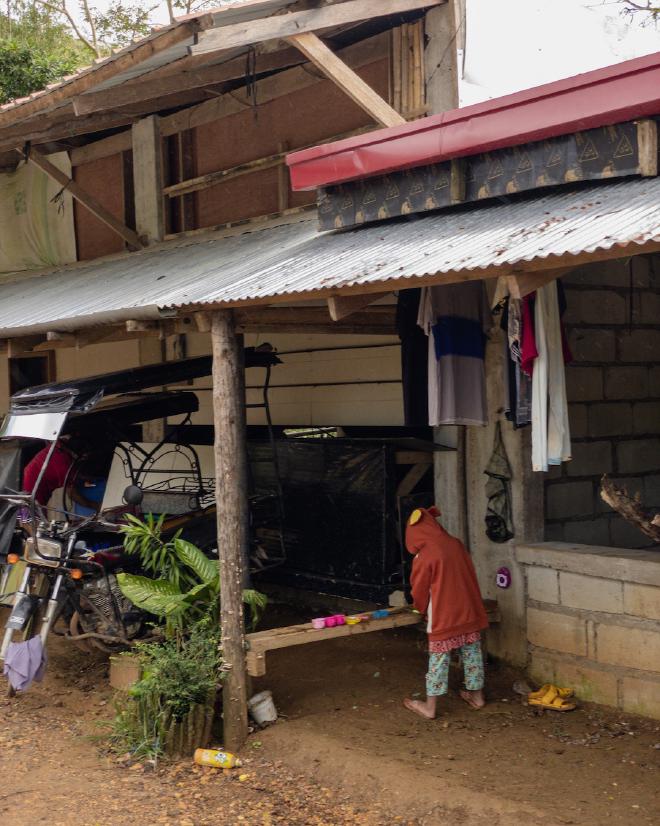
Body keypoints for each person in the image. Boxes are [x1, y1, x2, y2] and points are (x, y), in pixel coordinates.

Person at [403, 506, 488, 719]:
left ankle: (429, 707)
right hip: (469, 612)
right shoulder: (455, 544)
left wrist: (420, 608)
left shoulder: (425, 555)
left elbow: (420, 589)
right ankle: (477, 696)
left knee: (438, 659)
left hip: (444, 616)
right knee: (472, 653)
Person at [23, 439, 74, 507]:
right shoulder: (62, 465)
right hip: (30, 500)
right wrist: (90, 504)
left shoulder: (57, 447)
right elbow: (73, 493)